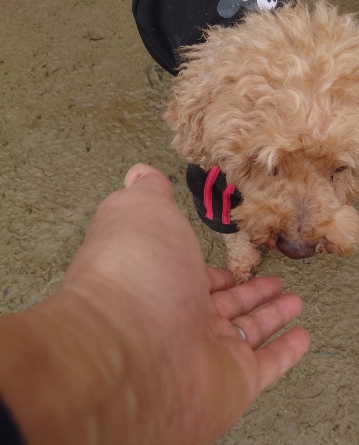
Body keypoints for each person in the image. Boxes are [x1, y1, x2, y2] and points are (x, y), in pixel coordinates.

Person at [0, 164, 310, 444]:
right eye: (272, 166)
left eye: (334, 171)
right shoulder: (213, 177)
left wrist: (97, 320)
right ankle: (242, 254)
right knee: (228, 221)